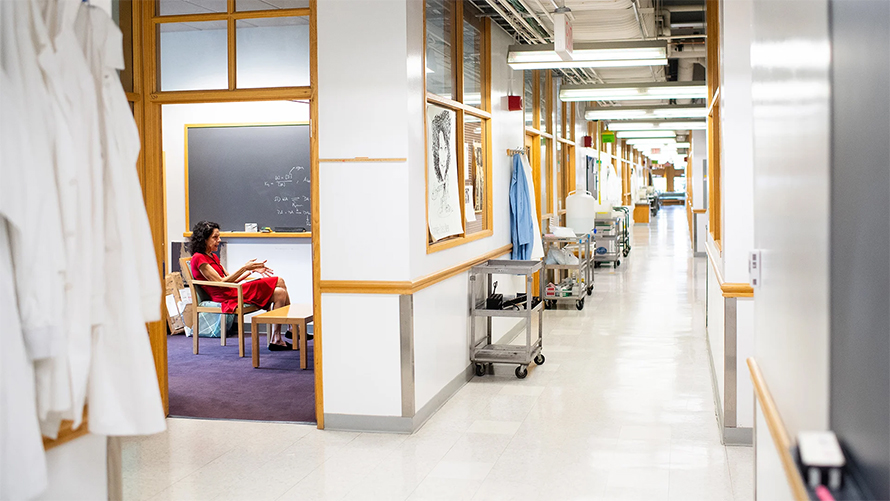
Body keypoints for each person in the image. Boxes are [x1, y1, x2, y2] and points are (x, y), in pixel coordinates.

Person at [188, 221, 292, 351]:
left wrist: (250, 271)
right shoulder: (198, 258)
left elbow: (230, 279)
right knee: (279, 281)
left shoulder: (213, 256)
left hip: (232, 290)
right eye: (215, 237)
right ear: (204, 239)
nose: (219, 240)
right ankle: (290, 329)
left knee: (280, 291)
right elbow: (221, 283)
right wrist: (244, 268)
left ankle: (278, 337)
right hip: (224, 296)